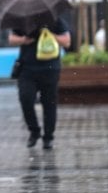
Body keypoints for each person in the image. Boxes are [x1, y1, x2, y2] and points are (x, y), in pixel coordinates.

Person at [8, 18, 71, 150]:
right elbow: (11, 39)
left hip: (50, 69)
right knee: (26, 98)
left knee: (49, 103)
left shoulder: (55, 19)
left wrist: (50, 34)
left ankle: (48, 137)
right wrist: (23, 40)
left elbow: (67, 41)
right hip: (27, 69)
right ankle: (34, 130)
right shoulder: (23, 19)